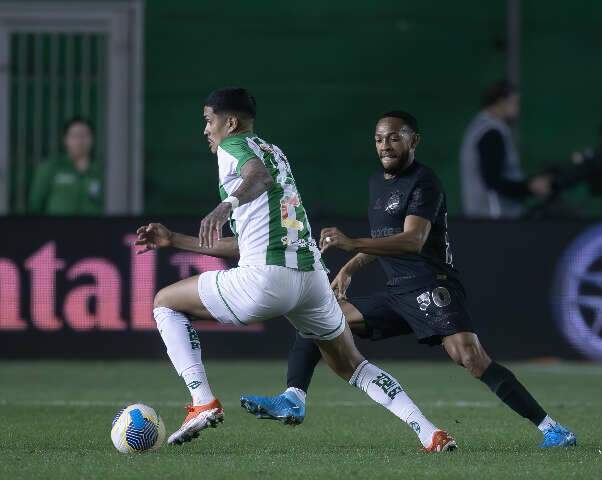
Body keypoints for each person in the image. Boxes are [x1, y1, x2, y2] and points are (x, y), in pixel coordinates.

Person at [135, 88, 456, 451]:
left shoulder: (233, 149)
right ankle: (429, 432)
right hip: (310, 279)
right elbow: (246, 242)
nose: (206, 130)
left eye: (208, 121)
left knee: (164, 302)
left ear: (231, 122)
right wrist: (174, 239)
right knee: (353, 365)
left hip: (265, 281)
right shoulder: (276, 152)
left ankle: (202, 401)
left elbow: (258, 178)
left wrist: (226, 205)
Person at [240, 111, 577, 449]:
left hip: (432, 285)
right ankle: (293, 397)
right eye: (379, 138)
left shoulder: (424, 182)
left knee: (472, 359)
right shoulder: (377, 183)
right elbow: (383, 238)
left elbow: (412, 240)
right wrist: (349, 269)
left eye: (394, 137)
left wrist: (351, 243)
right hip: (396, 291)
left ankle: (553, 429)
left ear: (413, 141)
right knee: (320, 319)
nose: (385, 145)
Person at [460, 81, 551, 218]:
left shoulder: (478, 127)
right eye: (515, 103)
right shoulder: (491, 132)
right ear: (502, 102)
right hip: (494, 217)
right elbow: (493, 180)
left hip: (482, 216)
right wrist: (529, 187)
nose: (517, 109)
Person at [28, 116, 103, 215]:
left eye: (84, 135)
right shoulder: (51, 167)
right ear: (66, 139)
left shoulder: (100, 171)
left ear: (92, 139)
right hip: (57, 228)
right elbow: (36, 204)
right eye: (75, 136)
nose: (80, 140)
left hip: (95, 228)